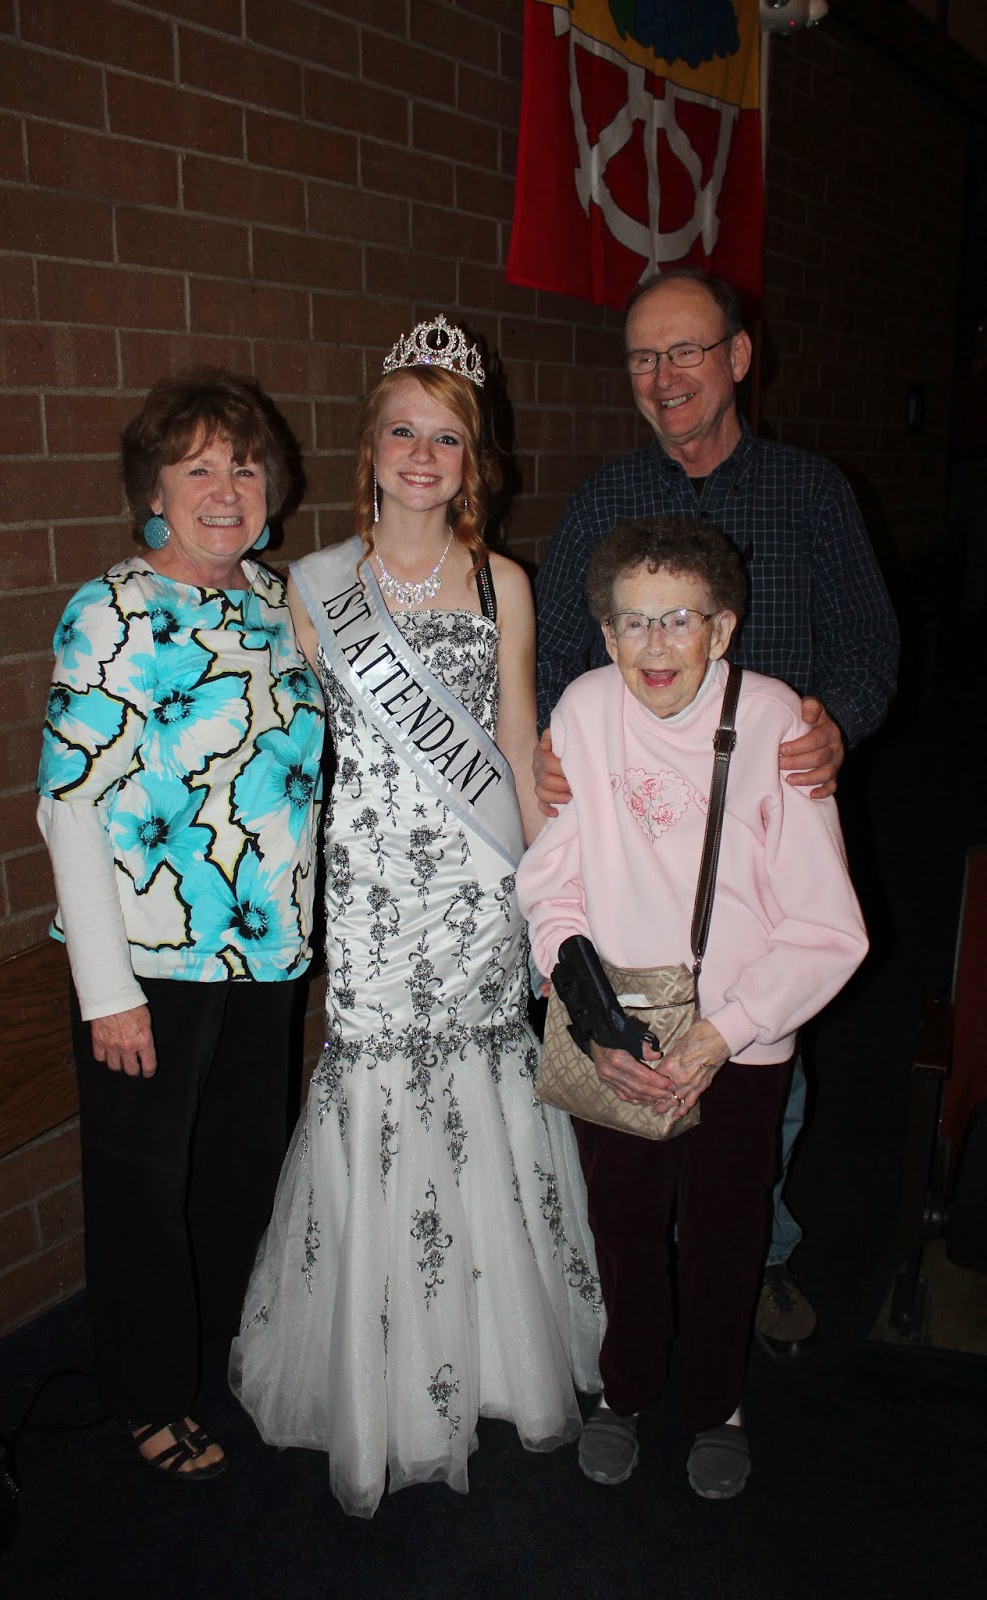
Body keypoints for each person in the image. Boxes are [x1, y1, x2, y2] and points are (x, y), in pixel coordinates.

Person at [231, 315, 602, 1519]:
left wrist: (551, 906)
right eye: (404, 431)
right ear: (371, 446)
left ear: (473, 457)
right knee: (376, 1084)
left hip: (475, 887)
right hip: (372, 891)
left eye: (447, 436)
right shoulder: (314, 590)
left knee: (484, 1084)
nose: (423, 455)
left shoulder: (504, 583)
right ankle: (381, 1380)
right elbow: (283, 753)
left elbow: (515, 741)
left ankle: (496, 1359)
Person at [533, 268, 898, 1357]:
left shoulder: (810, 491)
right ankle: (644, 1286)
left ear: (738, 357)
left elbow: (870, 643)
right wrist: (552, 744)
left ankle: (755, 1256)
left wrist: (839, 723)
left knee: (756, 1070)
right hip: (638, 826)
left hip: (761, 822)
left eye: (686, 350)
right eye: (645, 357)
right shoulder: (602, 500)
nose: (665, 376)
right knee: (630, 1092)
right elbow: (557, 650)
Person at [517, 516, 868, 1498]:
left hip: (738, 1039)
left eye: (679, 619)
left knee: (723, 1233)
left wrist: (722, 1034)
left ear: (723, 627)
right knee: (624, 1225)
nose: (655, 645)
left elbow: (828, 927)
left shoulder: (777, 725)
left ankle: (717, 1403)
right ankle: (625, 1386)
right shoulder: (586, 709)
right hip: (616, 1027)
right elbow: (552, 883)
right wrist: (591, 1015)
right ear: (604, 634)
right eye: (632, 622)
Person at [36, 370, 324, 1479]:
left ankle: (231, 1349)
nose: (225, 488)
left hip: (264, 951)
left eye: (244, 467)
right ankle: (148, 1394)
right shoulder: (110, 612)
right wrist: (106, 992)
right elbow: (70, 805)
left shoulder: (276, 599)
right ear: (152, 489)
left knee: (242, 1168)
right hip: (150, 960)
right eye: (197, 466)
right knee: (142, 1189)